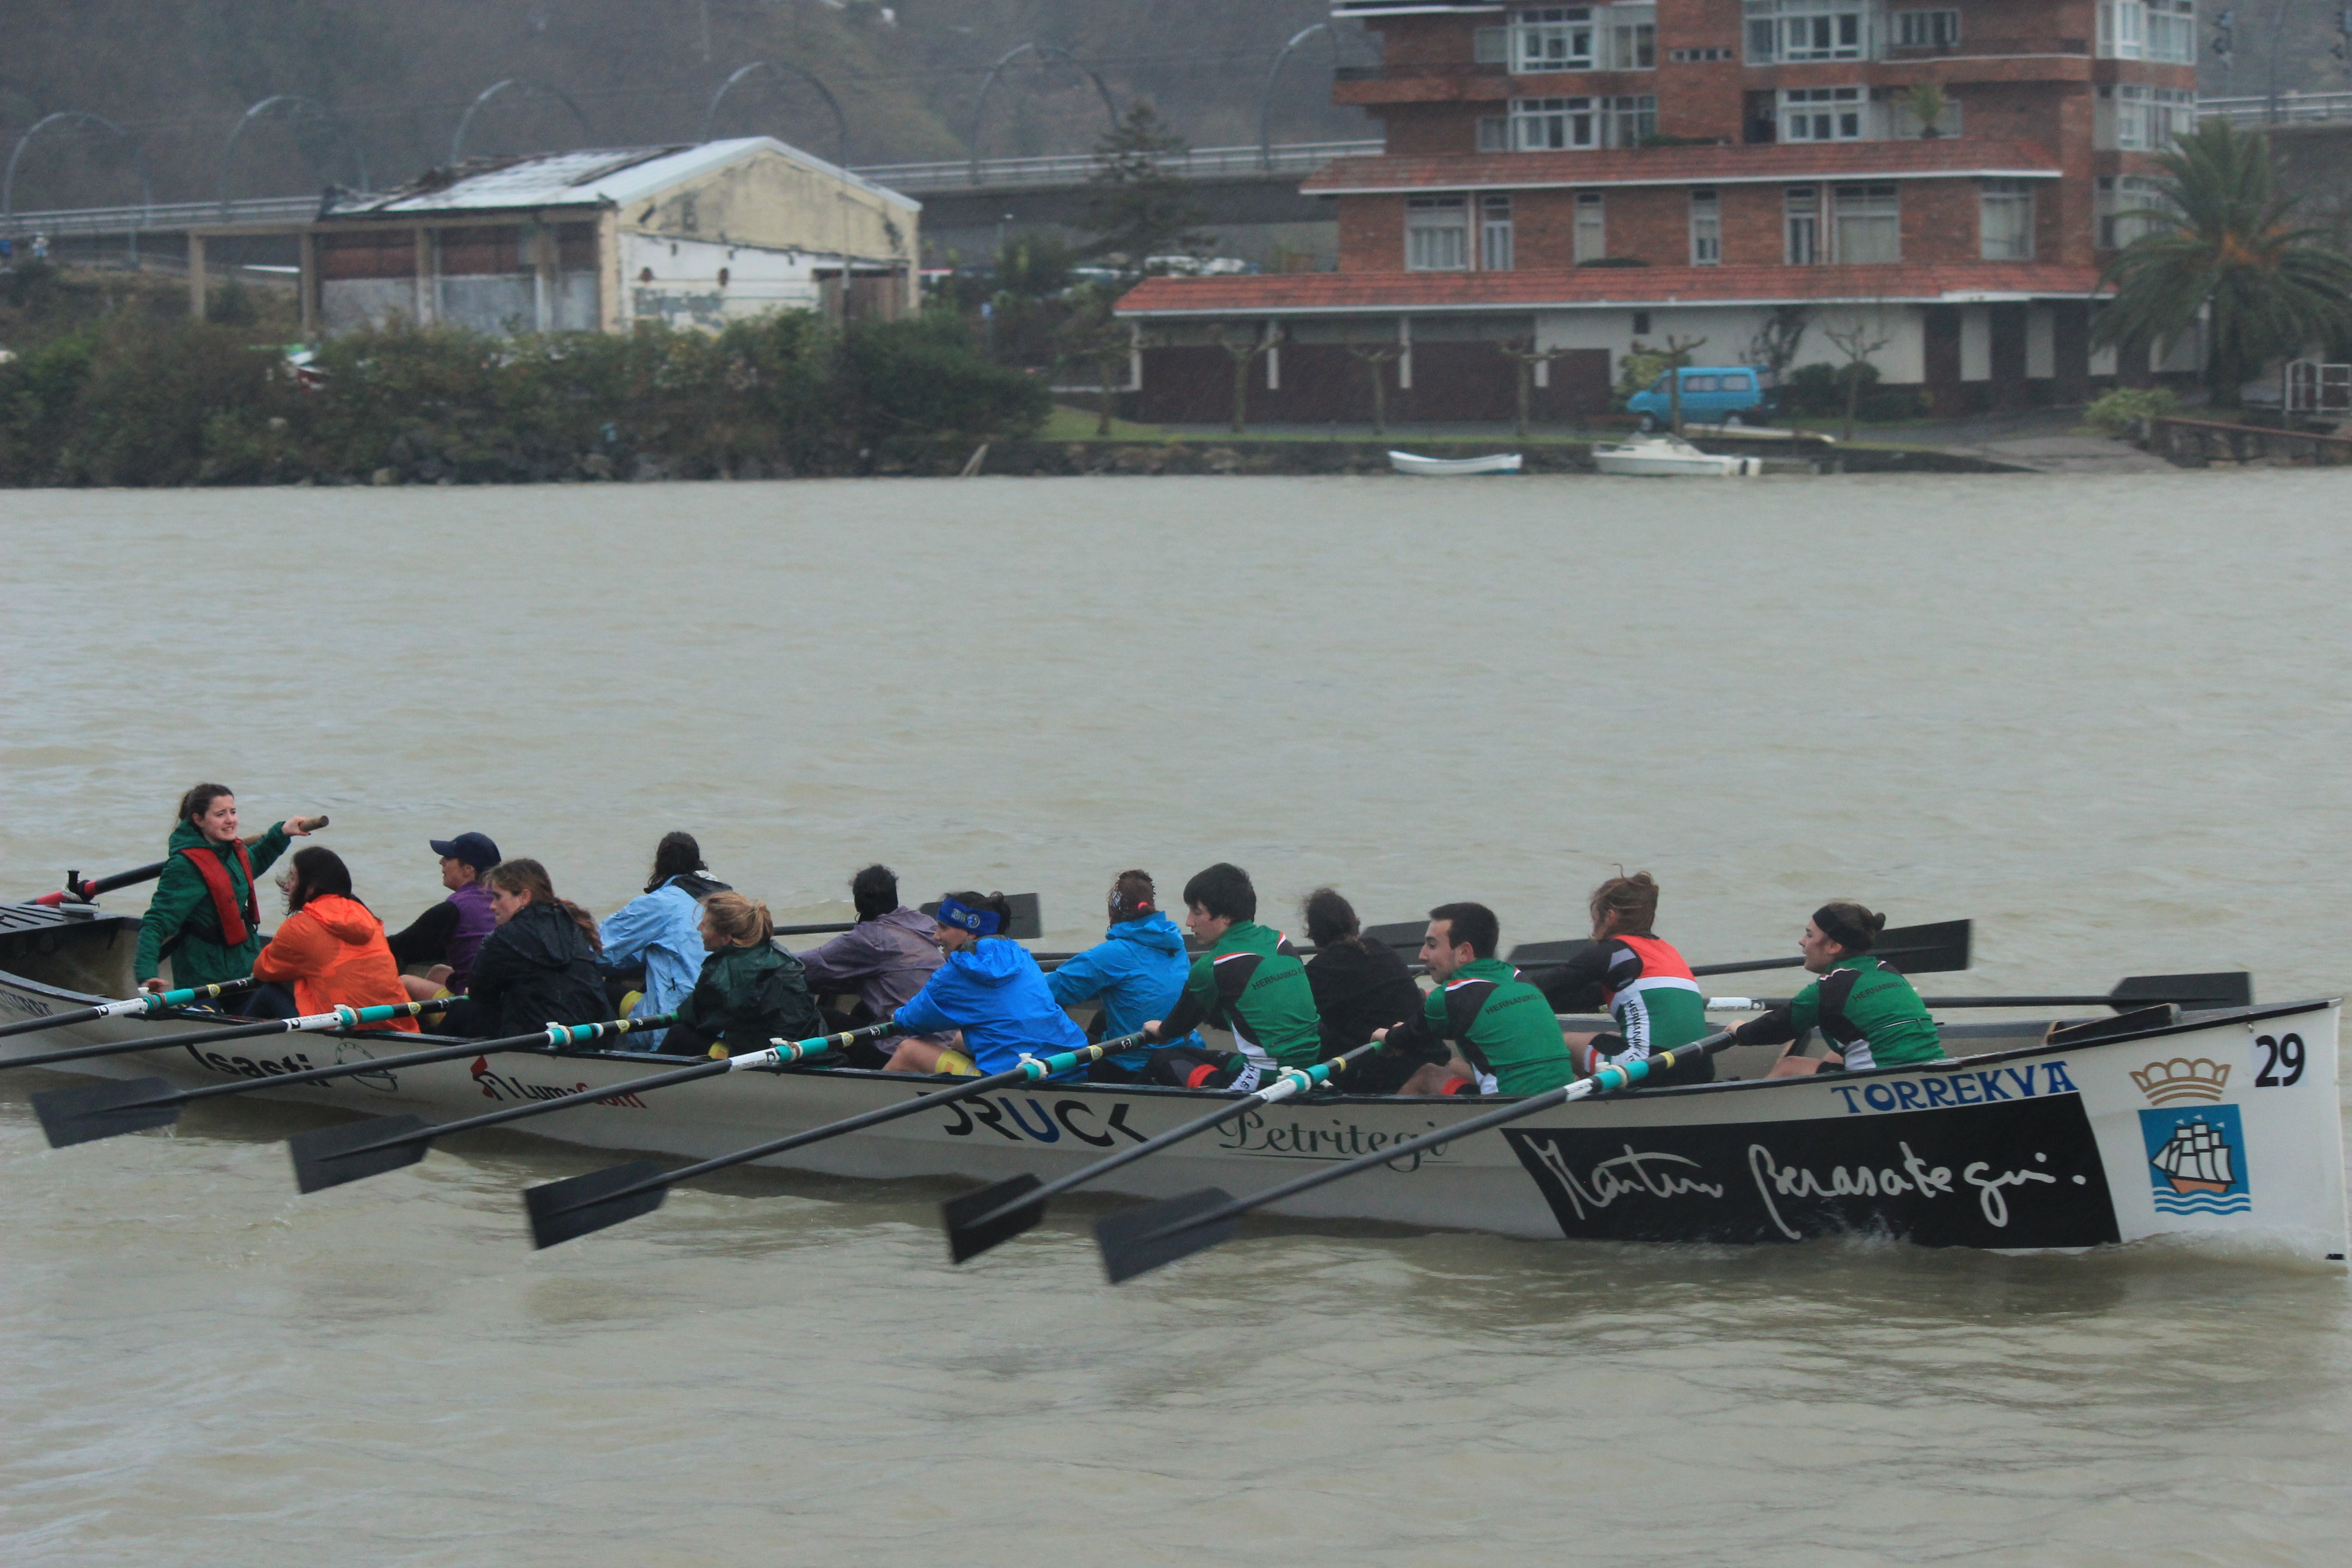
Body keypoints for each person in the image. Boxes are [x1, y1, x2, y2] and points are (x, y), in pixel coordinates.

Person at [1138, 862, 1323, 1089]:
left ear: (1225, 917)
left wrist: (1160, 1029)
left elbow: (1173, 1028)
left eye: (1197, 912)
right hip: (1309, 1069)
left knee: (1161, 1059)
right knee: (1183, 1052)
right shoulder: (1282, 942)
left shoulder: (1213, 966)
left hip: (1268, 1082)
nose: (1189, 922)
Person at [135, 783, 324, 995]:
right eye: (220, 814)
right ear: (199, 820)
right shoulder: (184, 867)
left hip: (243, 967)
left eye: (233, 812)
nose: (230, 820)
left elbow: (256, 861)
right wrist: (146, 974)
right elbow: (156, 922)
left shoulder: (232, 852)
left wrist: (282, 833)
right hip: (202, 976)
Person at [1534, 872, 1715, 1088]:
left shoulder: (1613, 952)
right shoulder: (1668, 953)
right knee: (1610, 1036)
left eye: (1595, 921)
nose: (1593, 932)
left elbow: (1538, 987)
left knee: (1562, 1041)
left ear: (1610, 917)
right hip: (1701, 1067)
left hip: (1647, 1069)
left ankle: (1570, 1099)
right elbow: (1585, 998)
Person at [1376, 903, 1577, 1097]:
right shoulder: (1518, 977)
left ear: (1464, 952)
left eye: (1432, 945)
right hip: (1559, 1096)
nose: (1422, 955)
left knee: (1428, 1073)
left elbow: (1401, 1040)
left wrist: (1382, 1035)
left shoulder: (1449, 995)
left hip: (1508, 1107)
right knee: (1454, 1064)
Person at [1724, 902, 1945, 1072]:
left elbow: (1768, 1031)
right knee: (1833, 1056)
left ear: (1834, 946)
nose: (1802, 941)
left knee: (1789, 1067)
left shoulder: (1828, 988)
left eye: (1810, 935)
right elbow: (1787, 1018)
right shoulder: (1887, 969)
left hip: (1885, 1079)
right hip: (1932, 1065)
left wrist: (1739, 1029)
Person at [887, 891, 1088, 1075]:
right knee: (959, 1041)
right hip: (1068, 1064)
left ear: (970, 933)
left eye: (944, 927)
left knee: (908, 1050)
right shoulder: (1022, 957)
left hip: (1017, 1077)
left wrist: (897, 1016)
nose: (936, 936)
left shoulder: (958, 972)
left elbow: (910, 1021)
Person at [1045, 870, 1202, 1081]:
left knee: (1053, 1027)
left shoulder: (1113, 954)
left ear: (1113, 913)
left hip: (1133, 1067)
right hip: (1187, 1050)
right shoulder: (1174, 942)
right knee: (1103, 1017)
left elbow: (1046, 991)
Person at [248, 848, 419, 1031]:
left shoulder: (300, 927)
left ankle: (234, 1044)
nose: (288, 886)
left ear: (311, 887)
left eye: (293, 878)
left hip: (341, 1029)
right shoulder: (366, 915)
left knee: (266, 992)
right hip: (400, 1027)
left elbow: (262, 970)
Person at [441, 858, 610, 1040]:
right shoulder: (572, 921)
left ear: (524, 897)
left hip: (537, 1039)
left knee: (461, 1009)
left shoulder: (503, 938)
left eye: (498, 897)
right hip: (591, 1036)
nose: (492, 906)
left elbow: (479, 994)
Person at [657, 891, 823, 1058]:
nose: (699, 928)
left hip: (769, 1058)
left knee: (679, 1034)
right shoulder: (779, 952)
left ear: (726, 939)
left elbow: (695, 1017)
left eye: (706, 926)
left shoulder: (721, 970)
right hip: (808, 1050)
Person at [1298, 887, 1429, 1095]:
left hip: (1387, 1072)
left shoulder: (1320, 971)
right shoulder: (1383, 949)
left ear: (1314, 934)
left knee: (1311, 1030)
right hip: (1426, 1054)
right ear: (1354, 923)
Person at [598, 832, 730, 1036]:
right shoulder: (731, 901)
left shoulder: (659, 903)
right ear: (699, 864)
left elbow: (596, 950)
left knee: (603, 988)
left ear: (659, 867)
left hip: (674, 1024)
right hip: (727, 1022)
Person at [794, 863, 944, 1033]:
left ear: (858, 904)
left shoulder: (870, 939)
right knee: (862, 1009)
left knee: (812, 1014)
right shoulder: (922, 924)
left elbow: (806, 963)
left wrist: (768, 958)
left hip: (902, 1041)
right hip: (942, 1034)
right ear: (894, 896)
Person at [387, 831, 500, 1000]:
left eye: (448, 858)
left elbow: (400, 946)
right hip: (499, 992)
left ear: (468, 869)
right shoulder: (504, 900)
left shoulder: (454, 908)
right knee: (438, 972)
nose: (441, 862)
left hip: (475, 1003)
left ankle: (418, 1027)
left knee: (405, 982)